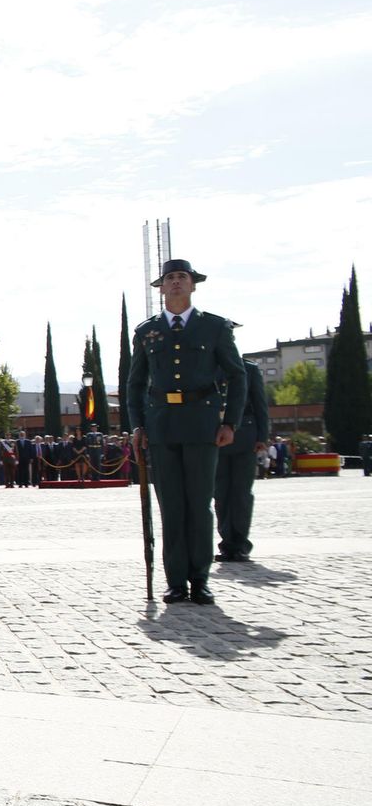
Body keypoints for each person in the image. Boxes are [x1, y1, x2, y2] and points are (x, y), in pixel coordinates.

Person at [127, 258, 246, 605]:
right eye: (170, 278)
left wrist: (231, 422)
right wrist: (138, 425)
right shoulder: (147, 331)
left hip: (201, 424)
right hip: (161, 426)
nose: (176, 282)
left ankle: (200, 578)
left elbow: (237, 376)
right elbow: (135, 384)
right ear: (161, 288)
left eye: (183, 277)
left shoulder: (214, 328)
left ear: (193, 285)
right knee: (172, 506)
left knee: (199, 504)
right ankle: (176, 580)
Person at [216, 353, 269, 563]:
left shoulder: (249, 369)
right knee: (220, 494)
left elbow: (260, 404)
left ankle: (240, 544)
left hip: (245, 436)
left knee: (241, 493)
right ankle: (226, 542)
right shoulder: (206, 365)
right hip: (215, 437)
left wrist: (262, 437)